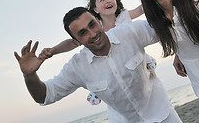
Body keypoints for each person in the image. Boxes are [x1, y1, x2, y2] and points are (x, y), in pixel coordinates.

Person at [14, 7, 182, 122]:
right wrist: (29, 75)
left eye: (92, 25)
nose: (93, 34)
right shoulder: (76, 68)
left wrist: (179, 55)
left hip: (164, 114)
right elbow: (44, 96)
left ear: (99, 22)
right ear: (76, 41)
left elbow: (169, 27)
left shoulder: (130, 33)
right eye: (83, 33)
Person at [39, 0, 157, 105]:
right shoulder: (94, 28)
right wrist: (53, 51)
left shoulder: (123, 16)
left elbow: (141, 9)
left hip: (132, 60)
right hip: (108, 69)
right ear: (95, 9)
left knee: (145, 83)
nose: (108, 1)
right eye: (102, 0)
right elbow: (71, 43)